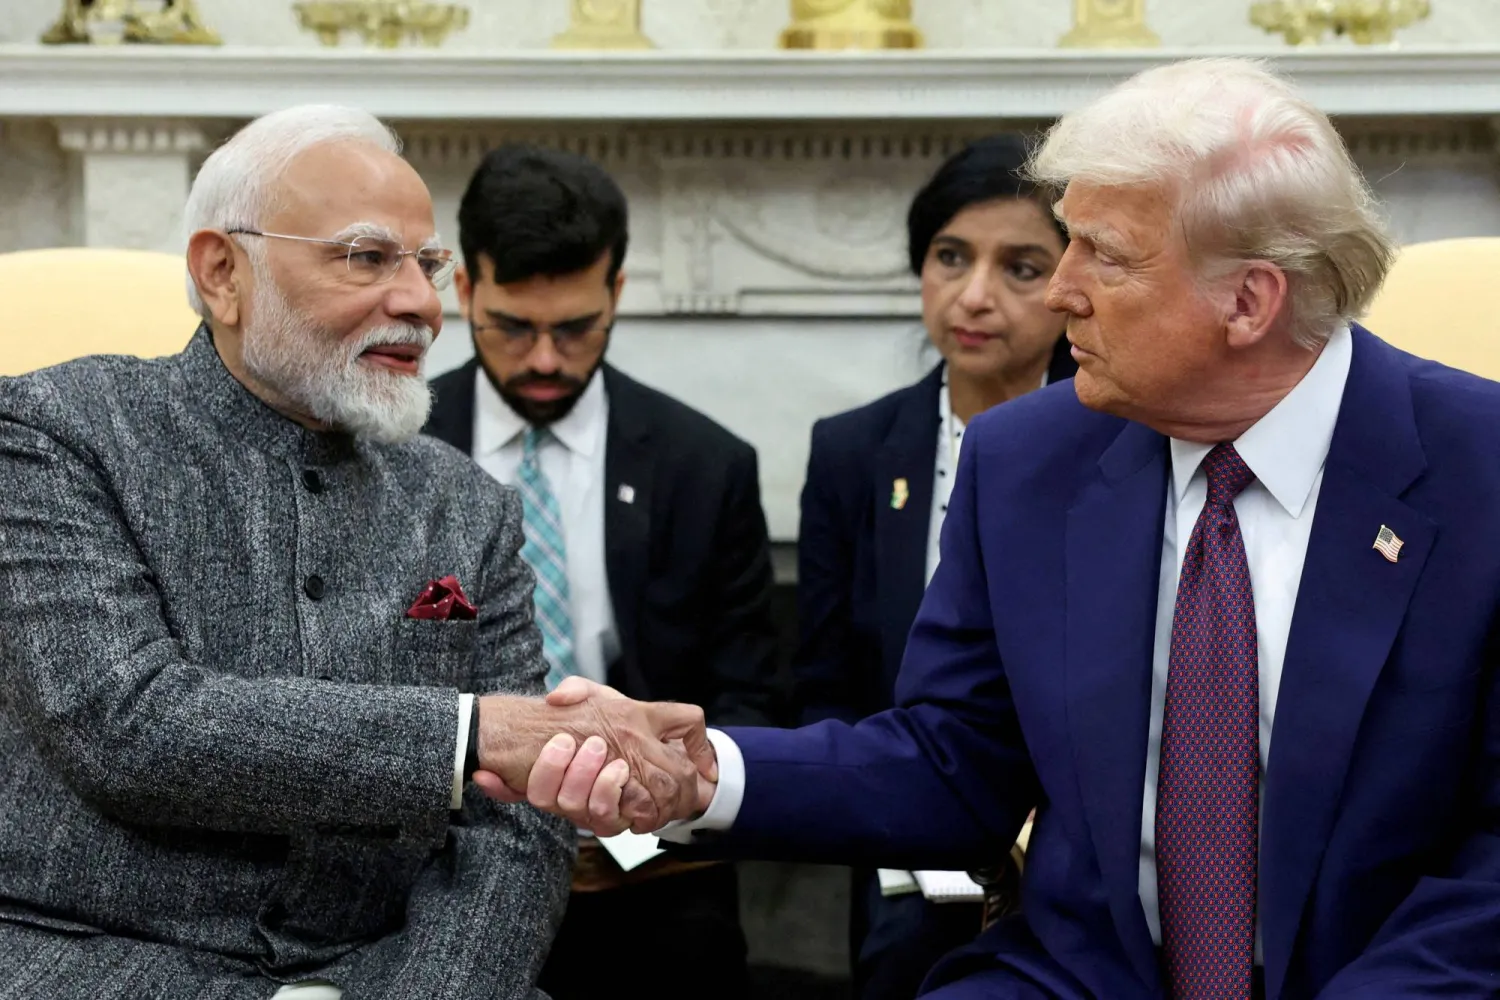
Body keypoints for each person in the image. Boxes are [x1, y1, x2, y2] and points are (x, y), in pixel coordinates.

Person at [513, 58, 1500, 999]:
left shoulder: (1478, 470)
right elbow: (954, 762)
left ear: (1248, 300)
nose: (1061, 287)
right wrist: (702, 773)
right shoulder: (1030, 460)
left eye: (1101, 254)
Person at [0, 105, 711, 1000]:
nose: (419, 303)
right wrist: (472, 732)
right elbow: (129, 724)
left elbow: (516, 825)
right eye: (367, 258)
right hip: (93, 960)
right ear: (224, 273)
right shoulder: (57, 431)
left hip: (391, 972)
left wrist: (439, 991)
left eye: (427, 264)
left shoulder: (466, 504)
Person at [424, 143, 779, 1000]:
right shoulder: (399, 450)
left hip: (654, 867)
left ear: (618, 293)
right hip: (441, 856)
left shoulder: (706, 465)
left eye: (576, 328)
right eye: (512, 327)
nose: (544, 359)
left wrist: (660, 800)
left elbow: (752, 698)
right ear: (466, 291)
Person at [793, 134, 1074, 1000]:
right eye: (951, 257)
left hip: (1070, 825)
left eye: (1022, 268)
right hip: (899, 828)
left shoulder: (1116, 441)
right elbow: (828, 676)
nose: (975, 296)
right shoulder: (853, 450)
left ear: (1072, 288)